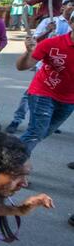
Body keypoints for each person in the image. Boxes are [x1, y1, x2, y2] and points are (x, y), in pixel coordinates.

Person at [6, 0, 74, 134]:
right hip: (45, 64)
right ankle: (17, 120)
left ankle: (46, 121)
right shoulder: (49, 21)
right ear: (63, 7)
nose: (72, 7)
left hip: (65, 70)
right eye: (71, 4)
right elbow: (34, 40)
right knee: (30, 95)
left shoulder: (71, 26)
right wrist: (48, 31)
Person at [16, 11, 74, 154]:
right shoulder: (51, 43)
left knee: (43, 133)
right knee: (37, 131)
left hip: (69, 100)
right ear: (71, 23)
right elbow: (22, 66)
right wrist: (28, 52)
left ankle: (10, 152)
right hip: (43, 92)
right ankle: (12, 164)